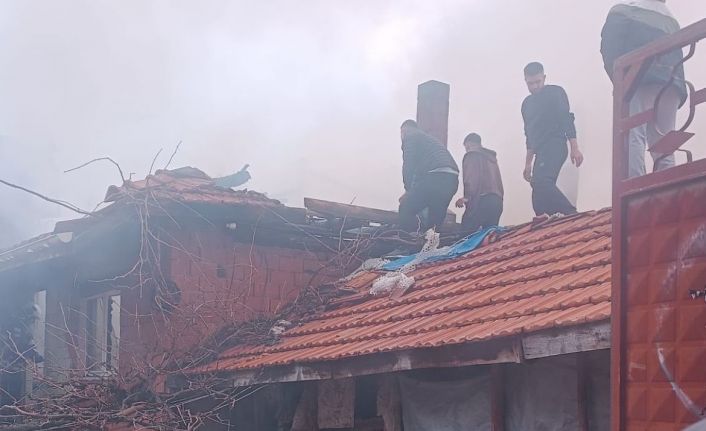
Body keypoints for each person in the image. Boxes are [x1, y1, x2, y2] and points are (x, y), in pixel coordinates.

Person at [600, 0, 687, 178]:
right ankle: (668, 184)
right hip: (673, 82)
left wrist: (620, 84)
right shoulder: (671, 18)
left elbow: (609, 50)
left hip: (640, 78)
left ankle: (636, 184)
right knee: (664, 141)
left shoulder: (623, 9)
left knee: (635, 135)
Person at [521, 62, 583, 216]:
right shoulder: (526, 105)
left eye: (538, 82)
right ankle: (549, 221)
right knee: (538, 198)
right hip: (540, 151)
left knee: (541, 182)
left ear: (544, 78)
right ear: (525, 81)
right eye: (530, 83)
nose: (535, 86)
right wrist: (528, 164)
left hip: (555, 145)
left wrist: (574, 148)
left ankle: (571, 214)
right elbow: (529, 135)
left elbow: (566, 119)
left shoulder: (555, 93)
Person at [398, 119, 459, 233]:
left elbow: (408, 165)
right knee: (434, 221)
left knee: (405, 208)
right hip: (452, 179)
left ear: (403, 131)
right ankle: (430, 241)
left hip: (436, 177)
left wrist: (408, 190)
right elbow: (419, 175)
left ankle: (407, 239)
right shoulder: (428, 140)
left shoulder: (410, 136)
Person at [455, 133, 504, 233]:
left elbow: (471, 178)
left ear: (471, 144)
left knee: (465, 236)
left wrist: (467, 197)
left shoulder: (472, 155)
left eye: (467, 147)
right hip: (497, 202)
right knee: (488, 237)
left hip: (481, 200)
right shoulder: (492, 159)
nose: (467, 150)